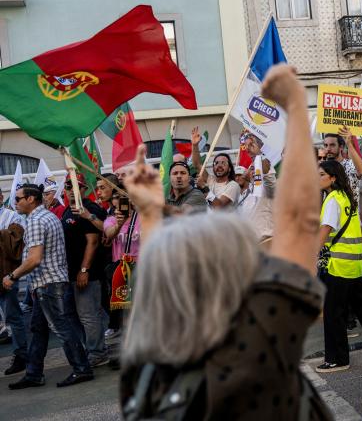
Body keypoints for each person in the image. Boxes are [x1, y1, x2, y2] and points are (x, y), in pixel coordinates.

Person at [120, 64, 333, 419]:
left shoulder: (146, 375)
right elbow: (298, 220)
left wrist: (148, 212)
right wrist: (296, 108)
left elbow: (158, 274)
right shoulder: (262, 353)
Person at [5, 184, 93, 389]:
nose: (15, 202)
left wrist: (12, 276)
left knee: (63, 329)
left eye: (18, 199)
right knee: (38, 329)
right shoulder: (48, 216)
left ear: (31, 199)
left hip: (48, 284)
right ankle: (34, 373)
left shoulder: (36, 220)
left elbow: (34, 259)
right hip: (47, 283)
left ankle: (82, 369)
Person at [317, 160, 362, 373]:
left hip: (338, 266)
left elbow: (325, 230)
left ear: (333, 178)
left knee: (333, 313)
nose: (316, 178)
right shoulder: (346, 197)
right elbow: (358, 229)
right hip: (354, 263)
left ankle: (338, 360)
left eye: (321, 174)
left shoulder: (331, 200)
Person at [62, 175, 109, 367]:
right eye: (68, 186)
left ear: (84, 190)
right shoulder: (67, 210)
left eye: (75, 187)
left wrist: (84, 269)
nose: (71, 190)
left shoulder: (90, 208)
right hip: (70, 273)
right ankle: (91, 347)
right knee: (73, 314)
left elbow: (93, 241)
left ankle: (98, 352)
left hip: (88, 273)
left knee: (89, 315)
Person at [103, 185, 141, 342]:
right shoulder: (111, 219)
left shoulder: (142, 218)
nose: (119, 201)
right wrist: (119, 224)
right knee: (124, 309)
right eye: (116, 198)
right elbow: (109, 234)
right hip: (121, 269)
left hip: (140, 268)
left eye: (123, 197)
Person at [0, 188, 26, 375]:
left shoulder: (12, 216)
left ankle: (21, 354)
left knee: (12, 316)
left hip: (7, 274)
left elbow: (15, 243)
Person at [238, 133, 277, 246]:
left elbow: (269, 179)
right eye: (246, 146)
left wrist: (259, 155)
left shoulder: (267, 182)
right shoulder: (249, 189)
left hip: (267, 243)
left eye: (251, 145)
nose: (248, 150)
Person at [322, 128, 362, 204]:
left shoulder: (349, 165)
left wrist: (349, 143)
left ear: (341, 147)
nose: (328, 149)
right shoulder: (321, 168)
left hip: (348, 214)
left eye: (332, 145)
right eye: (326, 145)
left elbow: (361, 171)